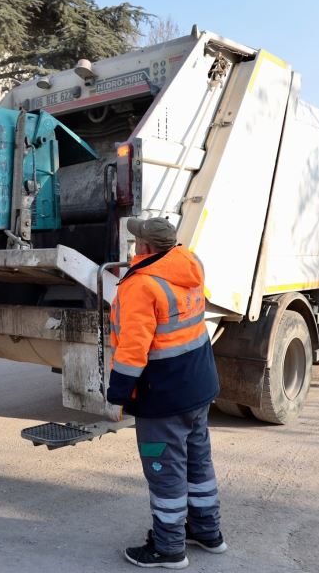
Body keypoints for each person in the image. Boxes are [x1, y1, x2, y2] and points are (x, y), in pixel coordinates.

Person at [106, 217, 226, 569]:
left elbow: (133, 349)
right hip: (199, 384)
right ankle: (207, 531)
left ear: (145, 248)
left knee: (165, 469)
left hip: (163, 396)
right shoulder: (189, 264)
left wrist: (118, 395)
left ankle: (169, 548)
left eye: (136, 241)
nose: (132, 246)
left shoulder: (140, 286)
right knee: (197, 460)